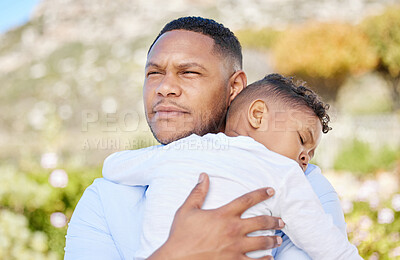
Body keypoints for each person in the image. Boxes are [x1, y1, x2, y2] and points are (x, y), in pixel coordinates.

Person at [65, 17, 347, 260]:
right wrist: (175, 253)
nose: (165, 88)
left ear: (234, 85)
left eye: (188, 72)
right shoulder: (104, 198)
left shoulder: (301, 183)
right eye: (154, 73)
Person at [102, 74, 361, 259]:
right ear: (257, 115)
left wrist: (166, 155)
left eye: (310, 154)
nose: (305, 158)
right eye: (302, 140)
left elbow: (113, 166)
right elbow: (330, 247)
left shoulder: (182, 149)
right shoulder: (282, 172)